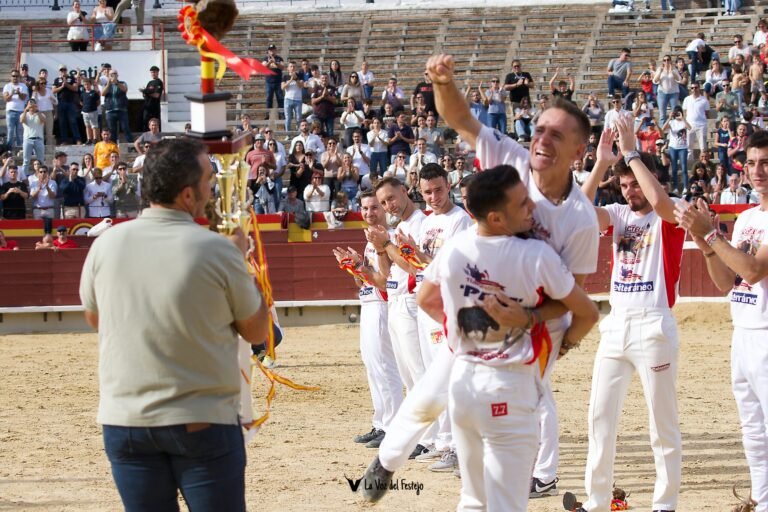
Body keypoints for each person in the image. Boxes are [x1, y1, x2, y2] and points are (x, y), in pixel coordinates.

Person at [361, 53, 600, 503]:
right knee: (432, 392)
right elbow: (460, 118)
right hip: (480, 314)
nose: (542, 138)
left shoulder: (580, 219)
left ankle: (539, 474)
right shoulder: (512, 159)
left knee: (531, 403)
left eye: (557, 134)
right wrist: (443, 81)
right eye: (541, 128)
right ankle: (390, 460)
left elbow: (575, 300)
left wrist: (529, 322)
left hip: (534, 329)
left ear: (578, 152)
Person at [79, 137, 267, 512]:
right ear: (186, 195)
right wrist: (240, 263)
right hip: (200, 421)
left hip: (126, 420)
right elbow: (257, 331)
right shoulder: (216, 250)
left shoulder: (106, 244)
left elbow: (95, 317)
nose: (212, 189)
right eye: (208, 182)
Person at [565, 115, 685, 512]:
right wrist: (601, 162)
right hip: (616, 326)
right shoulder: (617, 214)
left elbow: (662, 205)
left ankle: (664, 505)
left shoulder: (672, 210)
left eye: (636, 182)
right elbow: (575, 214)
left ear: (649, 177)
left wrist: (632, 153)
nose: (630, 190)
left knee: (661, 424)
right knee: (599, 418)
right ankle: (597, 501)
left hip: (654, 324)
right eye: (626, 184)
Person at [675, 129, 768, 512]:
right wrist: (703, 243)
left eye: (765, 163)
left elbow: (753, 269)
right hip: (744, 331)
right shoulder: (747, 217)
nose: (757, 171)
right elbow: (727, 283)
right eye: (751, 163)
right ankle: (762, 500)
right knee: (752, 431)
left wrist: (710, 233)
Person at [333, 190, 403, 448]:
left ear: (384, 209)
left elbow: (385, 281)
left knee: (385, 367)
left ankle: (392, 425)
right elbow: (366, 279)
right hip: (369, 304)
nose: (370, 213)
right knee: (373, 366)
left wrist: (360, 268)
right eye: (365, 208)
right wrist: (353, 266)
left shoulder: (389, 238)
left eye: (375, 207)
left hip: (383, 306)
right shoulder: (370, 239)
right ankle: (381, 423)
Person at [102, 68, 133, 143]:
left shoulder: (122, 83)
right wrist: (109, 84)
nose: (113, 76)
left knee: (125, 128)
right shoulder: (106, 84)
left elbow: (124, 89)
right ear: (108, 76)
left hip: (122, 110)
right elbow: (103, 93)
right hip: (110, 111)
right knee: (112, 130)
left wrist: (117, 83)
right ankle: (114, 146)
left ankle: (130, 145)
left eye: (114, 74)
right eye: (111, 75)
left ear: (117, 75)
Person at [3, 69, 29, 150]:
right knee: (10, 132)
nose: (15, 77)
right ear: (11, 77)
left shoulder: (23, 86)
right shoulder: (7, 86)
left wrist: (18, 93)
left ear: (19, 77)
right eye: (13, 76)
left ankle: (19, 150)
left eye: (17, 76)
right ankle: (8, 150)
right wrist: (11, 93)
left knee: (19, 132)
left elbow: (24, 98)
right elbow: (6, 99)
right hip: (10, 111)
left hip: (20, 111)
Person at [20, 99, 46, 177]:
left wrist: (37, 110)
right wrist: (26, 109)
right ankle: (24, 177)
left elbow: (43, 120)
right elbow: (22, 120)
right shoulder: (24, 114)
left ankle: (41, 175)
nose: (31, 106)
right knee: (26, 160)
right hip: (28, 139)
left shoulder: (41, 114)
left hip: (39, 139)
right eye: (30, 104)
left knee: (40, 160)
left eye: (33, 104)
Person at [281, 62, 304, 133]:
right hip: (288, 99)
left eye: (294, 66)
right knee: (288, 118)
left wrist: (296, 79)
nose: (292, 68)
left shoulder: (300, 76)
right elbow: (283, 87)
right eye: (291, 66)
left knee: (298, 118)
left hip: (298, 100)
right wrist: (291, 79)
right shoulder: (285, 77)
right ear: (288, 68)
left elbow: (301, 86)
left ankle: (299, 132)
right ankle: (288, 134)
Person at [139, 66, 163, 132]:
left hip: (154, 107)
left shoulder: (159, 82)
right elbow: (145, 94)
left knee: (155, 124)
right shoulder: (150, 83)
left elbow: (157, 95)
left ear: (158, 73)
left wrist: (147, 93)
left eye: (154, 72)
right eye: (152, 72)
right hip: (147, 106)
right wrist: (144, 92)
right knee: (145, 123)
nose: (153, 74)